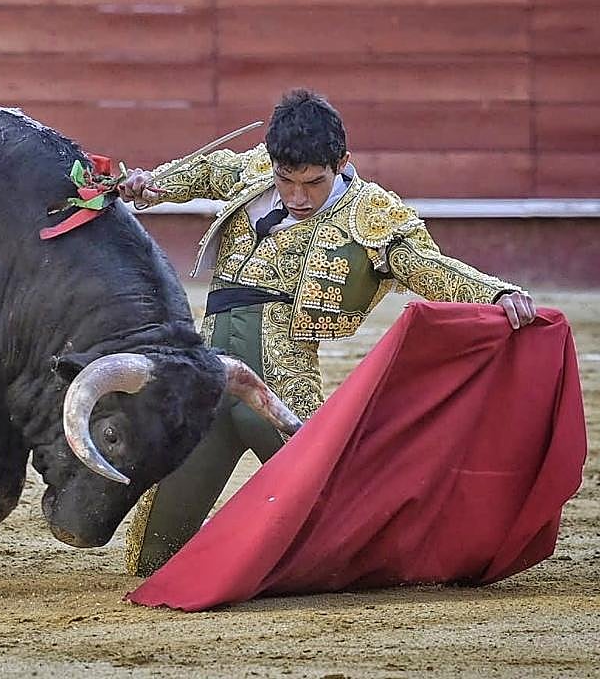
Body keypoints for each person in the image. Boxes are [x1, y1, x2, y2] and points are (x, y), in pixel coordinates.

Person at [118, 89, 537, 576]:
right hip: (207, 380)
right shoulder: (257, 170)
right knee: (150, 554)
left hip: (281, 389)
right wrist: (155, 183)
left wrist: (494, 293)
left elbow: (427, 267)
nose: (297, 197)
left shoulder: (371, 213)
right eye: (286, 181)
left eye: (314, 183)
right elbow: (211, 171)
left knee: (342, 525)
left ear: (342, 163)